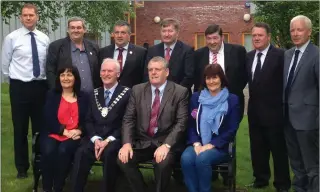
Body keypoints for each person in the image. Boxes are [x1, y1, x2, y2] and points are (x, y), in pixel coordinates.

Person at [117, 56, 189, 192]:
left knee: (162, 163)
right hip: (142, 142)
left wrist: (167, 145)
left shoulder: (180, 92)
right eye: (150, 70)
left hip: (165, 142)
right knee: (123, 160)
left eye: (157, 69)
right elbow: (128, 119)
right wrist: (126, 143)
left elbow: (181, 122)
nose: (153, 72)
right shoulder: (137, 90)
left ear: (166, 72)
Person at [1, 3, 50, 178]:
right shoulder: (12, 38)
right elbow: (5, 66)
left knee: (40, 129)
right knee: (20, 129)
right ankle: (22, 168)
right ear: (21, 18)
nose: (28, 18)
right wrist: (15, 81)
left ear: (37, 17)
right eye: (25, 15)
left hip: (40, 88)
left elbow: (46, 64)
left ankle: (39, 165)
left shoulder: (44, 38)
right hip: (20, 87)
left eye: (31, 15)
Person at [71, 58, 131, 192]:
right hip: (95, 137)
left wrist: (108, 140)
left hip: (115, 138)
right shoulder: (94, 94)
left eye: (110, 71)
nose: (106, 74)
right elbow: (88, 120)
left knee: (110, 153)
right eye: (103, 71)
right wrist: (95, 139)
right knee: (81, 152)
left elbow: (127, 122)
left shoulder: (128, 94)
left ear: (118, 74)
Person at [245, 22, 291, 192]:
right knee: (257, 149)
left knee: (278, 152)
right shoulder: (249, 57)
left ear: (268, 37)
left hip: (275, 113)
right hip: (254, 113)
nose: (256, 38)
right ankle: (261, 179)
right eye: (254, 35)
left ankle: (282, 184)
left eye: (260, 35)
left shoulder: (281, 56)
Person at [180, 64, 240, 192]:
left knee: (203, 159)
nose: (211, 81)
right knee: (186, 158)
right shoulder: (197, 98)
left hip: (220, 146)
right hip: (198, 143)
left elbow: (232, 129)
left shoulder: (232, 99)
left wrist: (211, 145)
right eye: (208, 78)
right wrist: (196, 143)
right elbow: (190, 125)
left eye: (215, 77)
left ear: (221, 79)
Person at [283, 15, 319, 192]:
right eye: (292, 30)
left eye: (299, 29)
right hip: (288, 119)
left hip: (308, 122)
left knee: (312, 165)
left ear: (309, 32)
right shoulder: (288, 55)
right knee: (296, 162)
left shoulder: (317, 55)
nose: (295, 34)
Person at [41, 66, 89, 192]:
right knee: (49, 150)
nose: (65, 78)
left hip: (74, 135)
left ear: (75, 78)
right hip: (54, 132)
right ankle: (46, 187)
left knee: (64, 150)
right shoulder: (52, 94)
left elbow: (88, 119)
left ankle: (58, 186)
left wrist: (80, 130)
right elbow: (48, 117)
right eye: (62, 75)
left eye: (69, 75)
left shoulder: (84, 97)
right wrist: (63, 131)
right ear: (58, 78)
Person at [194, 24, 247, 121]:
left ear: (222, 37)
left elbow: (244, 75)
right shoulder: (198, 55)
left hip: (231, 102)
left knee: (230, 133)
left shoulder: (238, 51)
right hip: (206, 104)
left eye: (215, 38)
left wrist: (232, 91)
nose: (212, 42)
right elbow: (196, 80)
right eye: (209, 39)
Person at [46, 17, 101, 93]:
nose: (75, 30)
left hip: (92, 96)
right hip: (68, 96)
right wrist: (56, 92)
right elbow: (50, 71)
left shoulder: (94, 47)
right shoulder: (56, 47)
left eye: (79, 28)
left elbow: (98, 70)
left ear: (84, 30)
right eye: (72, 28)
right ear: (68, 30)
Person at [145, 18, 194, 95]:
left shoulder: (187, 50)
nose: (166, 34)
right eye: (164, 31)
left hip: (179, 95)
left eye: (170, 31)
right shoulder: (152, 50)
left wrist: (174, 93)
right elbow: (147, 74)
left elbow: (189, 77)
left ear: (177, 33)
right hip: (156, 94)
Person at [99, 20, 147, 88]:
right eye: (117, 32)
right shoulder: (103, 52)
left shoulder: (141, 52)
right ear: (113, 34)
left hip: (132, 94)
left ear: (129, 35)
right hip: (110, 95)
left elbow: (144, 76)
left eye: (123, 33)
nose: (119, 36)